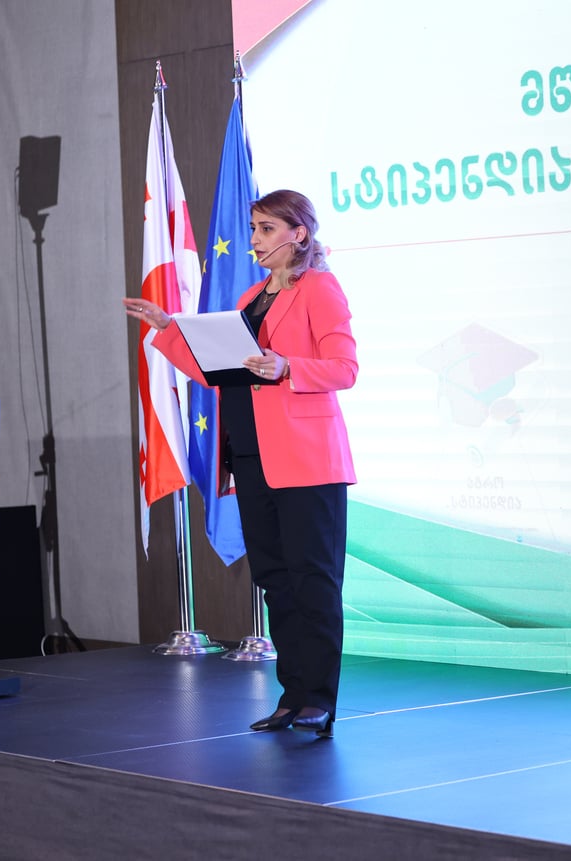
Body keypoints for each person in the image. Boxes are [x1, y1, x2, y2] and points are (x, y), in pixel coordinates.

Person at [124, 189, 357, 738]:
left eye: (267, 229)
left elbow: (344, 367)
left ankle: (318, 699)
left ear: (299, 234)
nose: (255, 239)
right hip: (251, 457)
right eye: (253, 228)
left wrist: (287, 367)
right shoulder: (252, 296)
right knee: (276, 580)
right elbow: (219, 371)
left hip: (307, 460)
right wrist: (167, 328)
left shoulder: (319, 288)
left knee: (313, 581)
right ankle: (292, 696)